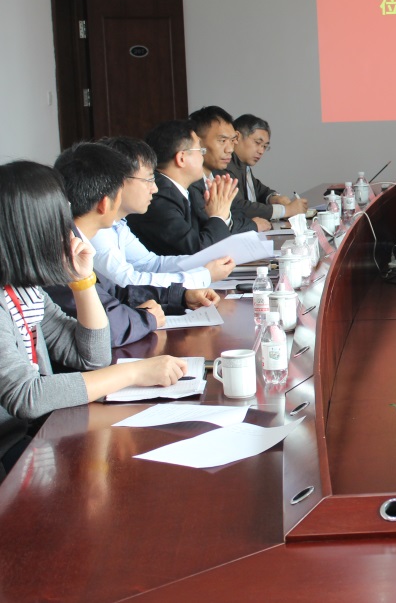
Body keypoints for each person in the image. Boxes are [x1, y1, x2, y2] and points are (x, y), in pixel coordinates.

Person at [0, 160, 188, 480]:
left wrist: (83, 281)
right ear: (31, 228)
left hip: (29, 444)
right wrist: (133, 372)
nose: (67, 229)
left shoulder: (27, 292)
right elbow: (28, 396)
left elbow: (92, 356)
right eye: (59, 217)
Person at [48, 143, 220, 347]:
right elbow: (107, 326)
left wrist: (181, 296)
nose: (154, 188)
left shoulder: (86, 234)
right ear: (105, 203)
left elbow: (118, 291)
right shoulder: (66, 251)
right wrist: (146, 318)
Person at [91, 136, 235, 290]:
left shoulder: (118, 224)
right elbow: (127, 281)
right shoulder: (95, 227)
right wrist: (203, 275)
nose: (154, 189)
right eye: (148, 180)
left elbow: (150, 264)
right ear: (118, 181)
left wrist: (206, 262)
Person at [126, 120, 237, 256]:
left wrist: (221, 214)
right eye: (200, 150)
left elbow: (208, 232)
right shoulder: (158, 197)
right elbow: (198, 253)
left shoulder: (189, 190)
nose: (203, 156)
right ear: (181, 158)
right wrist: (218, 216)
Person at [188, 106, 268, 233]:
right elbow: (208, 229)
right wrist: (252, 225)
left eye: (232, 141)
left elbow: (236, 213)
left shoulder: (216, 177)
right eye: (222, 140)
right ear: (197, 142)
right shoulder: (190, 184)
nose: (230, 149)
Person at [228, 114, 308, 222]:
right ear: (237, 137)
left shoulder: (243, 166)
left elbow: (259, 190)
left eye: (265, 146)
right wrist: (285, 210)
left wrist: (275, 198)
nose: (261, 151)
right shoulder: (225, 166)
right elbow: (238, 206)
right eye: (257, 143)